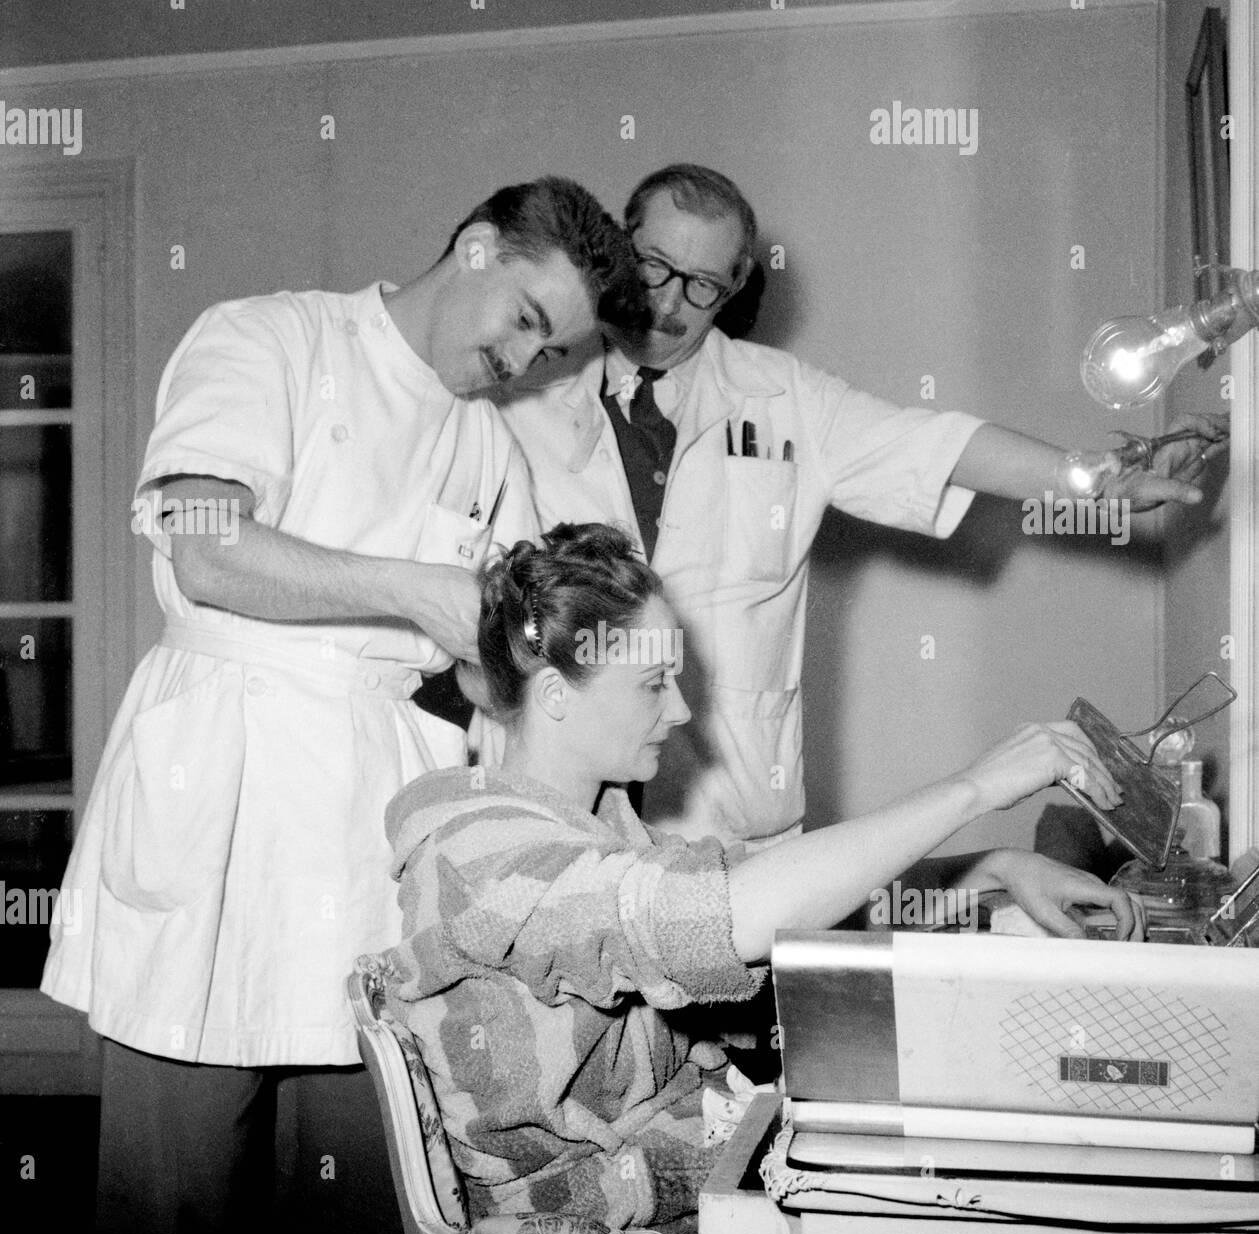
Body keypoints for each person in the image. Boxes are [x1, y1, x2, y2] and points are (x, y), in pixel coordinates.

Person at [39, 177, 647, 1234]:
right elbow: (206, 542)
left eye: (552, 350)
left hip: (378, 812)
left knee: (366, 1198)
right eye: (522, 319)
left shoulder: (487, 444)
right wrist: (413, 593)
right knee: (175, 1216)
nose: (523, 363)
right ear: (471, 247)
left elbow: (495, 657)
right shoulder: (272, 337)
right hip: (226, 780)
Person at [380, 523, 1138, 1234]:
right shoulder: (485, 855)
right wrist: (974, 789)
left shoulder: (583, 826)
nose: (679, 709)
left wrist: (995, 870)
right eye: (652, 684)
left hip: (679, 1191)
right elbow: (722, 913)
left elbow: (765, 881)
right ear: (554, 697)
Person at [497, 164, 1230, 848]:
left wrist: (1091, 479)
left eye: (701, 285)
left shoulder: (786, 398)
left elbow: (935, 445)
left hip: (725, 816)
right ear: (622, 246)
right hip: (552, 804)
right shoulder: (527, 386)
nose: (665, 302)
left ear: (737, 285)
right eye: (652, 265)